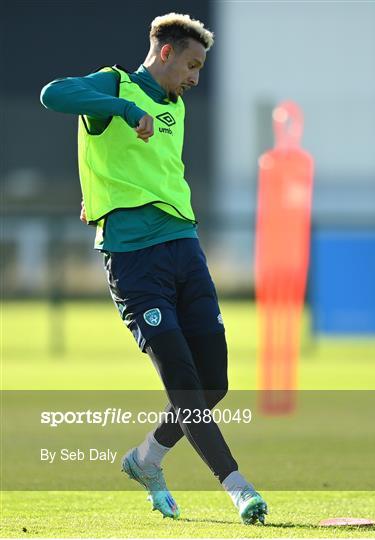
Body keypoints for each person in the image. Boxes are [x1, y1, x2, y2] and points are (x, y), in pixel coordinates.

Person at [40, 12, 267, 525]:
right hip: (135, 261)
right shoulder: (117, 86)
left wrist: (96, 186)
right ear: (164, 52)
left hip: (185, 247)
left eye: (201, 68)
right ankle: (239, 488)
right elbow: (54, 94)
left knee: (213, 384)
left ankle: (147, 458)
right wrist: (121, 109)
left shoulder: (174, 108)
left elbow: (135, 169)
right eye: (191, 64)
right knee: (185, 384)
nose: (195, 78)